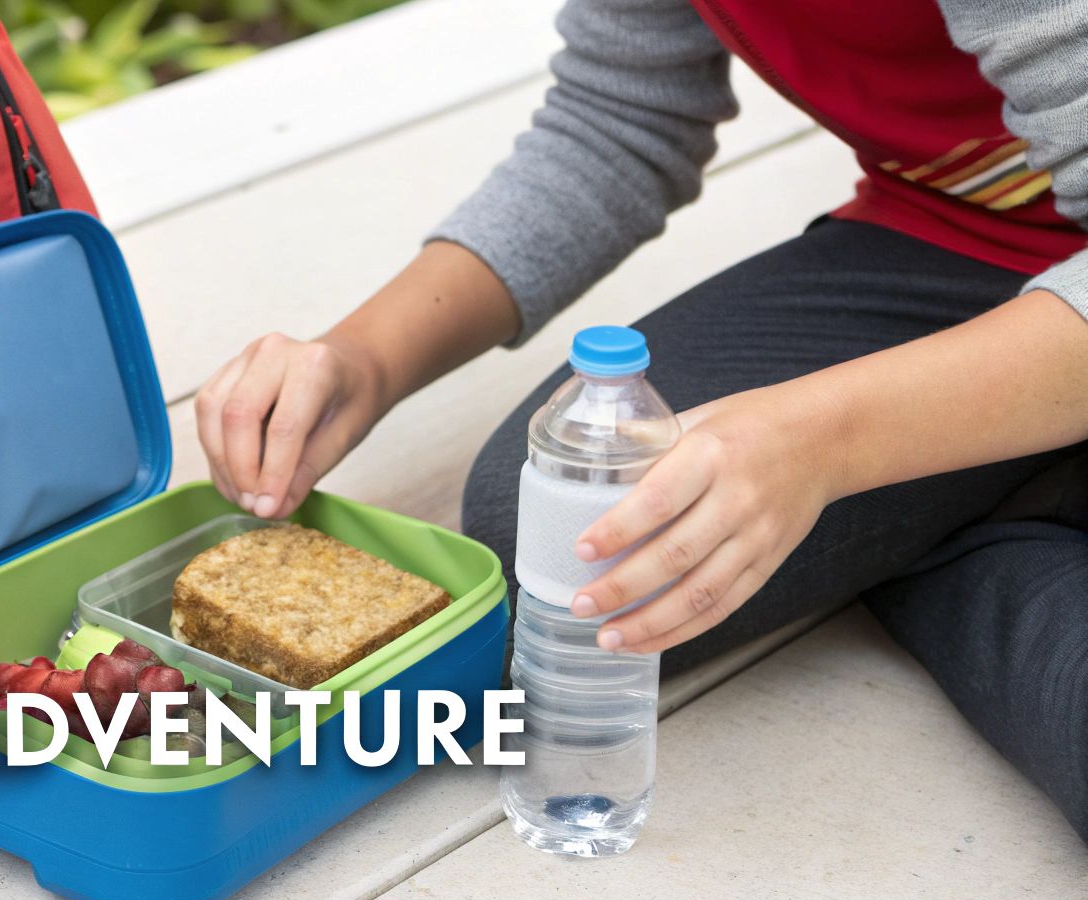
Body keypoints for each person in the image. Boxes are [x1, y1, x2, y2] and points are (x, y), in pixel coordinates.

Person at [192, 0, 1088, 842]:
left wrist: (825, 441)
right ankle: (1010, 464)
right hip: (954, 241)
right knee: (579, 537)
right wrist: (367, 356)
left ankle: (990, 458)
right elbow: (619, 119)